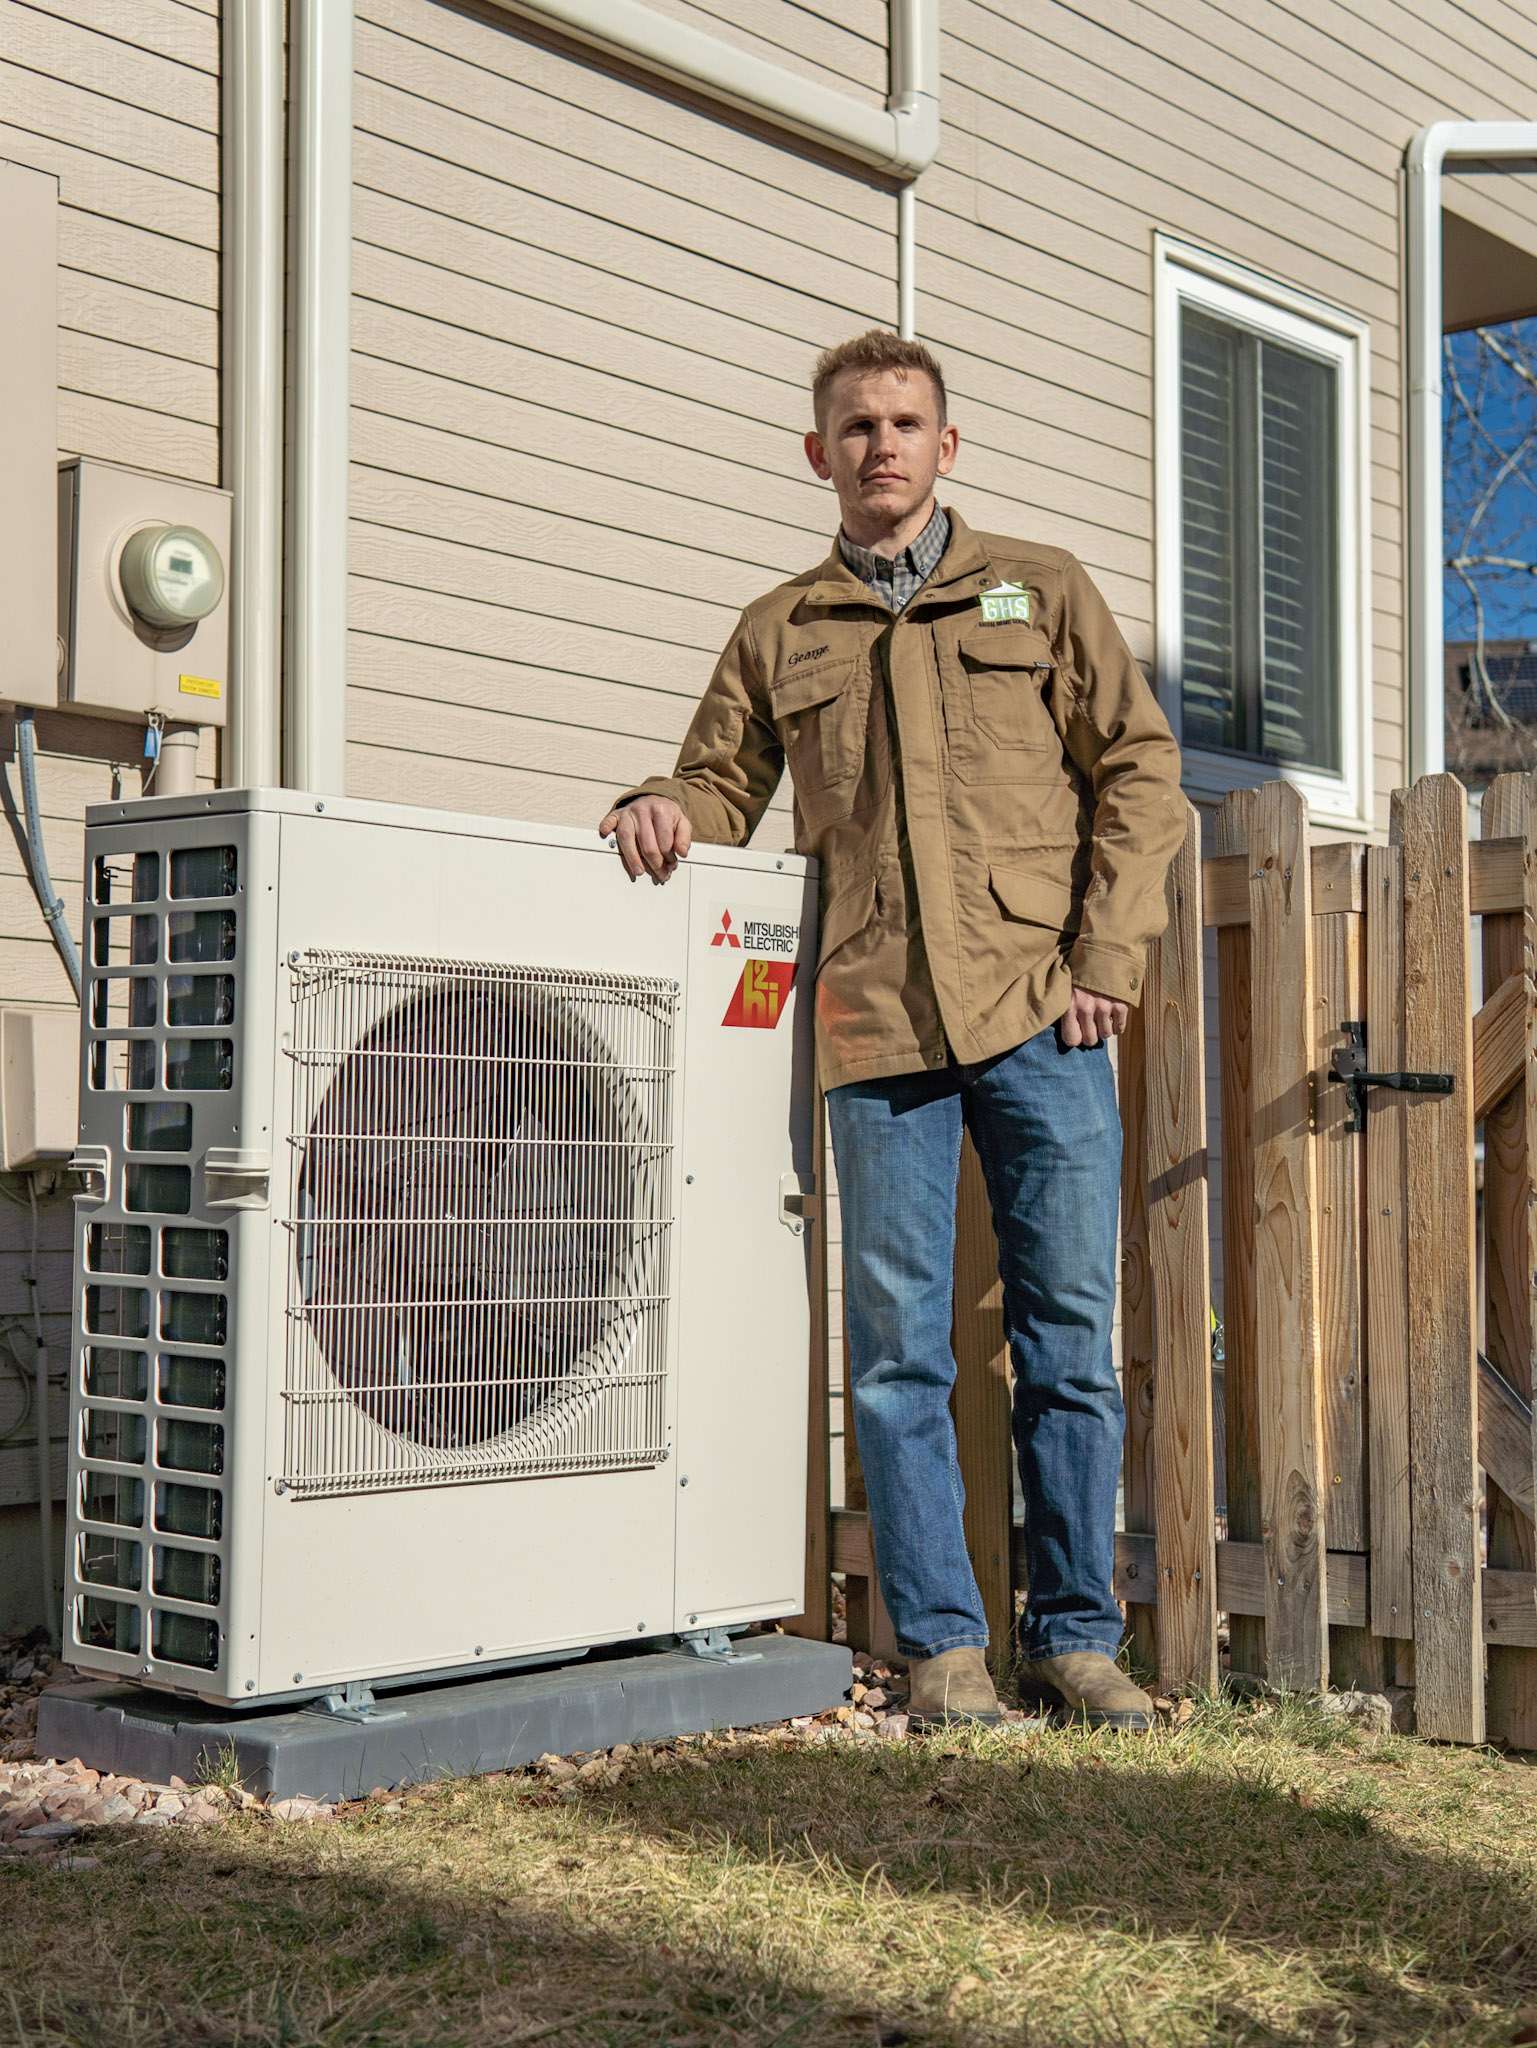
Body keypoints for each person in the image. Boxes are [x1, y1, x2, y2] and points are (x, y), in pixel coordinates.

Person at [600, 330, 1184, 1732]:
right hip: (874, 1028)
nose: (880, 445)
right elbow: (716, 780)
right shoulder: (780, 627)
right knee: (896, 1355)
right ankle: (941, 1652)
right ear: (818, 453)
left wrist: (1106, 952)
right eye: (854, 426)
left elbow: (1141, 770)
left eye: (905, 422)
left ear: (946, 445)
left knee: (1065, 1343)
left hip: (1044, 1015)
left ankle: (1077, 1640)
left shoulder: (1037, 591)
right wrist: (661, 804)